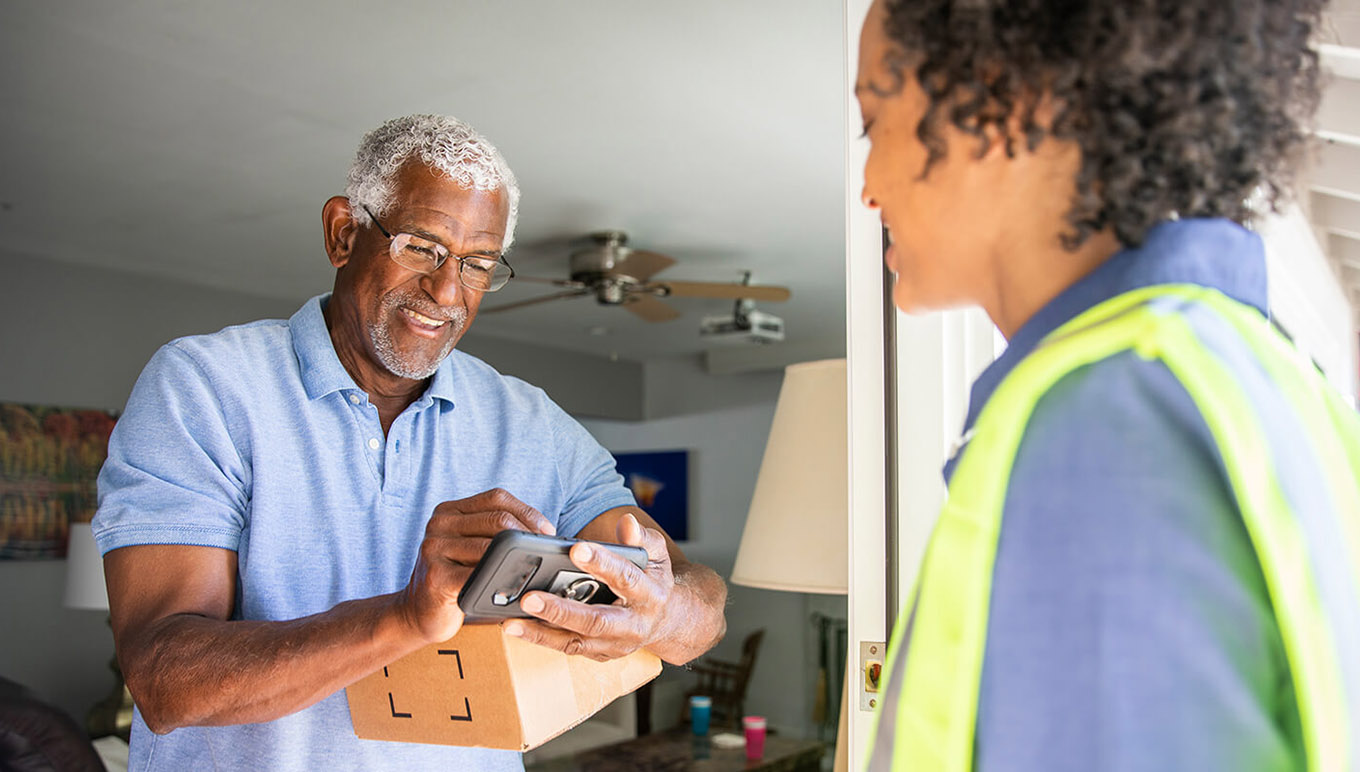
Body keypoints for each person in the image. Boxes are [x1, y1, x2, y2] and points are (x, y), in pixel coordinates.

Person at [92, 114, 728, 771]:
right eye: (421, 248)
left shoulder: (532, 423)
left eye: (478, 264)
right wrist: (404, 617)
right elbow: (164, 680)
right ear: (344, 233)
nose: (447, 291)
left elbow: (695, 598)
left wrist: (659, 613)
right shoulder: (204, 387)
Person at [854, 0, 1359, 770]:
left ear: (1005, 95)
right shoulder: (1274, 384)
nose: (868, 187)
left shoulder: (1110, 424)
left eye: (874, 123)